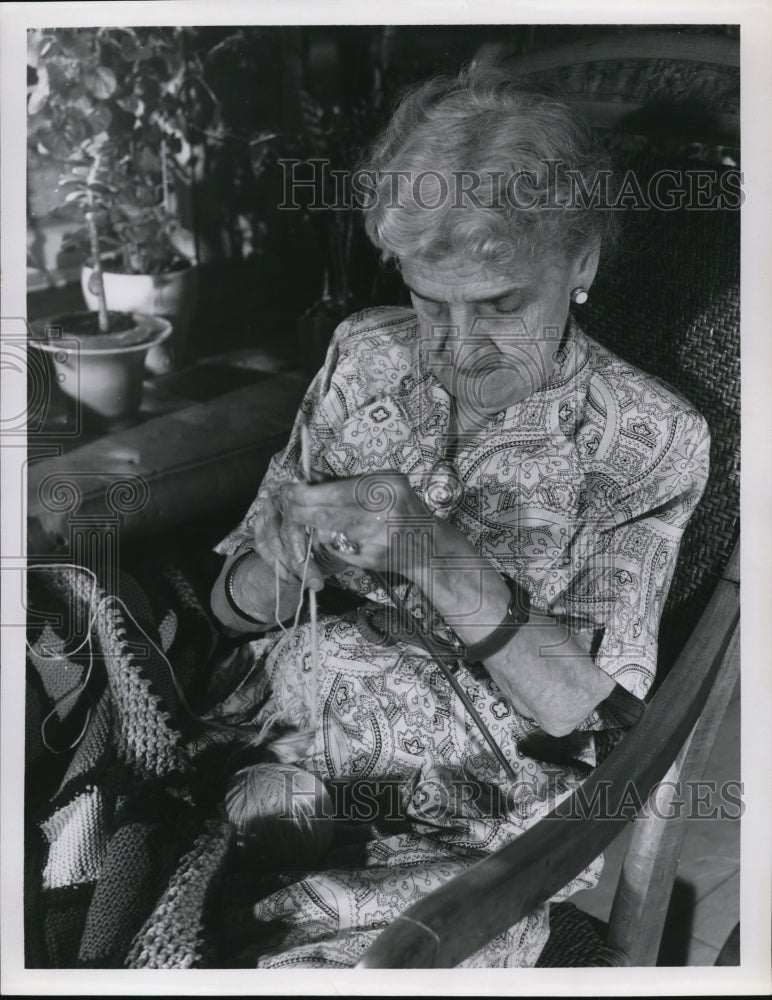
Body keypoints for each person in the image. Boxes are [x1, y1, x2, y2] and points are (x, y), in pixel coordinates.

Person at [208, 63, 710, 968]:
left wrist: (437, 553)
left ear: (582, 262)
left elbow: (588, 716)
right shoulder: (363, 354)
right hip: (266, 751)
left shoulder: (650, 438)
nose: (458, 348)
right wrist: (281, 558)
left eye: (503, 304)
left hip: (466, 823)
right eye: (428, 301)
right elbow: (228, 608)